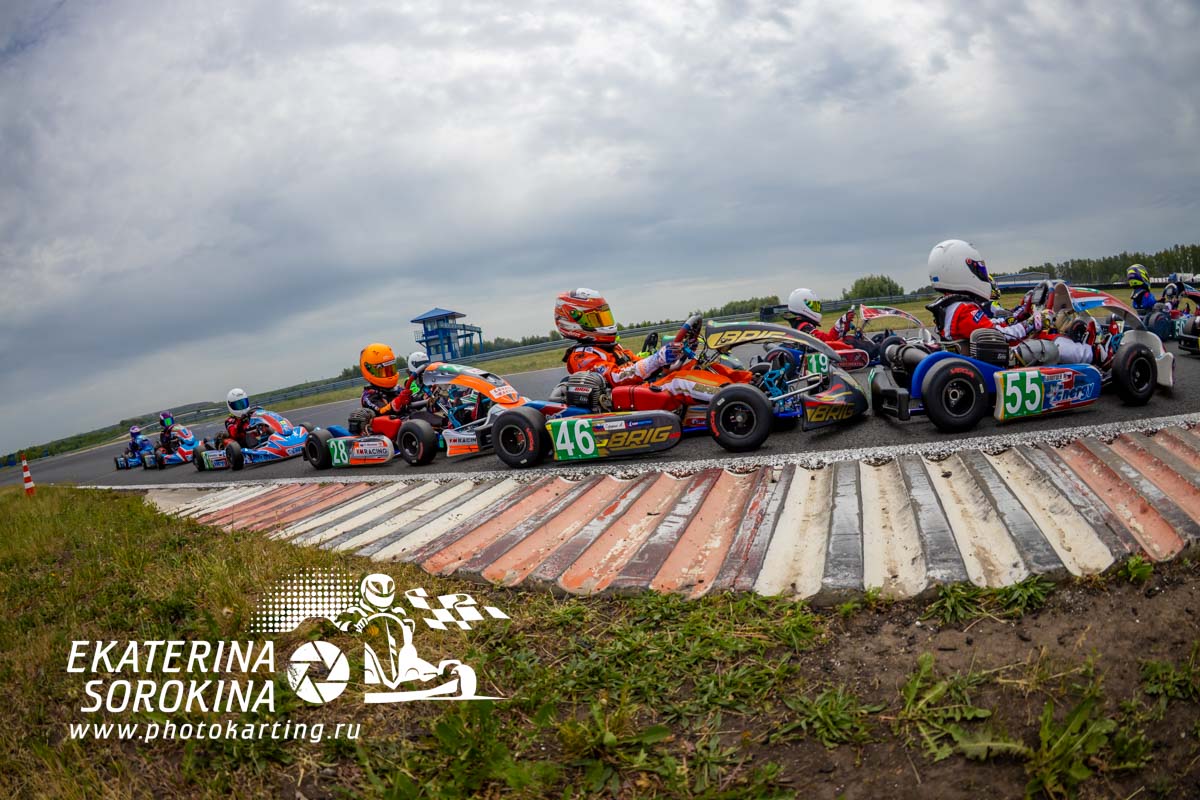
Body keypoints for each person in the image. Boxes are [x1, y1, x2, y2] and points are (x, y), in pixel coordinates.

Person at [555, 288, 680, 386]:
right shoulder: (581, 357)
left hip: (640, 390)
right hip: (621, 402)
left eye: (604, 317)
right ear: (573, 322)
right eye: (596, 319)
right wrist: (656, 360)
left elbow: (637, 364)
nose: (604, 323)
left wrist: (667, 360)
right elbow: (616, 377)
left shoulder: (612, 348)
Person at [926, 239, 1043, 342]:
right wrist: (1032, 323)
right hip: (983, 358)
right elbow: (1000, 335)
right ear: (960, 270)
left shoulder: (951, 306)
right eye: (978, 268)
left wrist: (1015, 319)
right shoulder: (963, 311)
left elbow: (989, 324)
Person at [783, 288, 855, 344]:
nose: (816, 309)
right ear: (801, 306)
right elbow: (828, 341)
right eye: (812, 305)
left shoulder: (798, 326)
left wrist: (844, 324)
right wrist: (842, 322)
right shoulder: (804, 327)